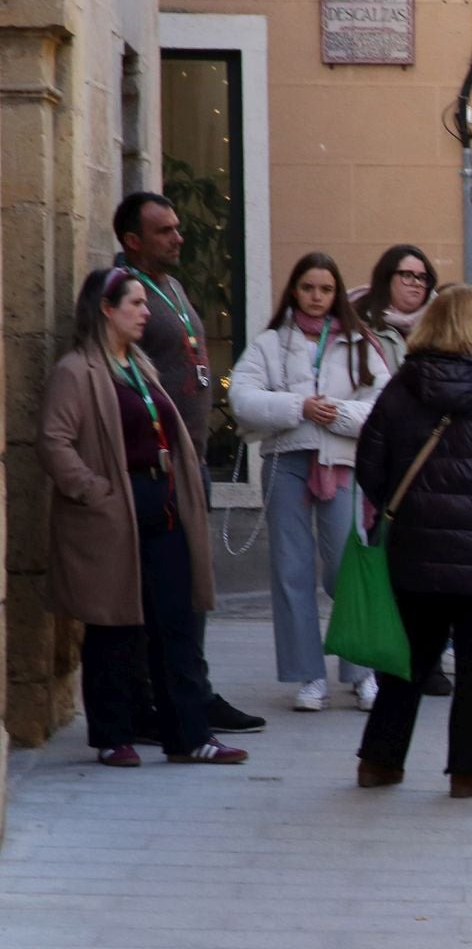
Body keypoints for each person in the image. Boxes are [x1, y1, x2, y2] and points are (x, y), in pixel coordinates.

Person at [38, 268, 245, 767]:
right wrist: (94, 490)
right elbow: (54, 440)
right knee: (113, 624)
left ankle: (189, 735)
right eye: (134, 303)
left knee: (176, 622)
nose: (145, 311)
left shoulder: (141, 366)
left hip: (164, 503)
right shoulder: (77, 370)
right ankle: (112, 734)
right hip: (115, 510)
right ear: (106, 309)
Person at [353, 286, 472, 796]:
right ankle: (468, 772)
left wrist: (406, 508)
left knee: (407, 661)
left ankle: (379, 761)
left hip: (414, 552)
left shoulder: (400, 390)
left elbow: (369, 467)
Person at [111, 191, 264, 736]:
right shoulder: (126, 293)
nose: (179, 237)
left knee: (191, 586)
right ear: (133, 242)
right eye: (164, 231)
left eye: (178, 227)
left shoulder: (172, 285)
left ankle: (189, 690)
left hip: (194, 459)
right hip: (163, 464)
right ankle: (170, 699)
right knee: (170, 590)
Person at [231, 252, 392, 712]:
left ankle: (360, 670)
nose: (317, 297)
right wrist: (298, 407)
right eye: (308, 288)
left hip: (342, 463)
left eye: (325, 289)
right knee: (290, 570)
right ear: (294, 290)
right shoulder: (268, 343)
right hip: (287, 460)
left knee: (348, 567)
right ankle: (308, 676)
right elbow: (241, 397)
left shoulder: (360, 342)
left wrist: (336, 413)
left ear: (337, 293)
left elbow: (382, 404)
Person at [355, 244, 439, 372]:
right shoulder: (360, 322)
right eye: (407, 275)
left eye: (422, 277)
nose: (416, 283)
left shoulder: (440, 323)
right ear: (386, 278)